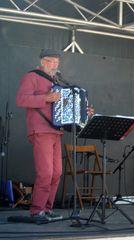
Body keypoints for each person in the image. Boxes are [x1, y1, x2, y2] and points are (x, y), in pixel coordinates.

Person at [16, 49, 94, 221]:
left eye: (57, 62)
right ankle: (37, 211)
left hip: (55, 131)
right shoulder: (32, 77)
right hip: (41, 130)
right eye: (51, 61)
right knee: (45, 172)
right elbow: (21, 99)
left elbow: (65, 105)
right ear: (43, 61)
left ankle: (48, 209)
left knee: (57, 172)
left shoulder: (57, 81)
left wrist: (82, 111)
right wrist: (46, 98)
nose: (55, 65)